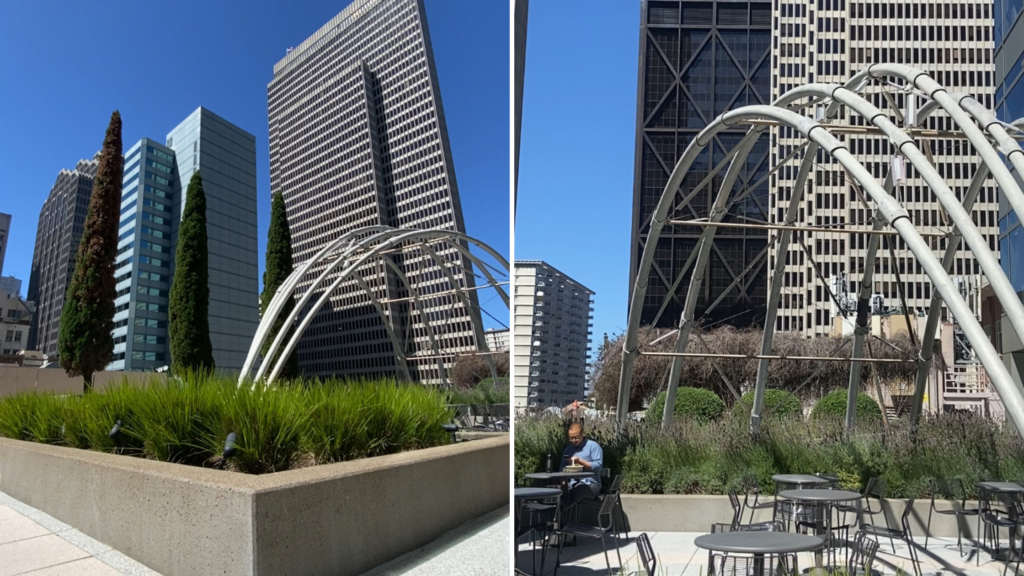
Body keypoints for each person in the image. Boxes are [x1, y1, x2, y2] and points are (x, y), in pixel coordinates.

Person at [561, 422, 602, 504]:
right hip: (572, 483)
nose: (573, 440)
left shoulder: (593, 446)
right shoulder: (568, 450)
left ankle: (571, 516)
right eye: (571, 438)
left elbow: (598, 466)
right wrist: (563, 484)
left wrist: (579, 461)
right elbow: (562, 469)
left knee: (573, 494)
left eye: (575, 438)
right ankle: (560, 516)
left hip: (591, 484)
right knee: (558, 494)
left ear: (582, 434)